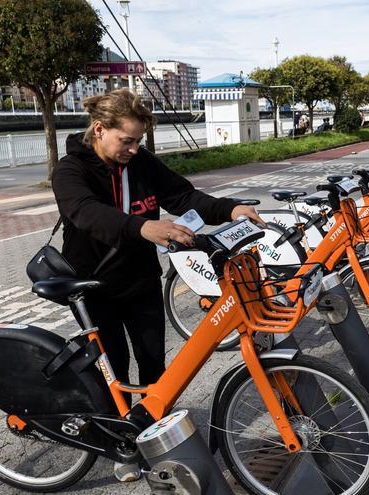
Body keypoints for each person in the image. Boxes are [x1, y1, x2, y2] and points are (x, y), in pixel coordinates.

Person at [52, 89, 263, 482]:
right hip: (93, 286)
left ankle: (150, 433)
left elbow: (183, 195)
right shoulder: (70, 170)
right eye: (126, 140)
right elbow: (85, 213)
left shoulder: (142, 163)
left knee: (153, 363)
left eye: (138, 141)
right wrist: (143, 226)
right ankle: (123, 445)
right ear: (99, 129)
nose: (133, 148)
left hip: (140, 280)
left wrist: (229, 207)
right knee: (113, 366)